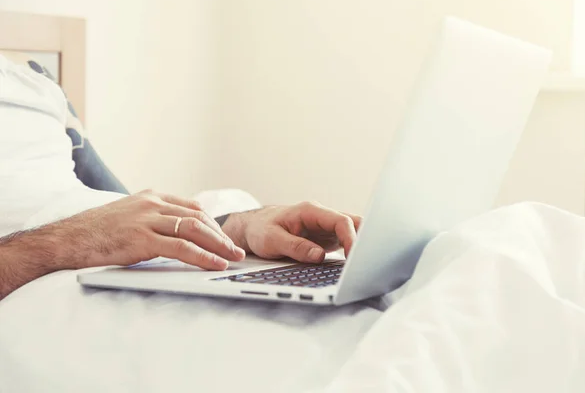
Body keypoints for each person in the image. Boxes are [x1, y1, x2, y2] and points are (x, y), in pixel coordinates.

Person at [0, 55, 361, 300]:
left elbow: (120, 214)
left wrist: (237, 228)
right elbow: (96, 229)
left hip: (141, 278)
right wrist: (65, 243)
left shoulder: (33, 86)